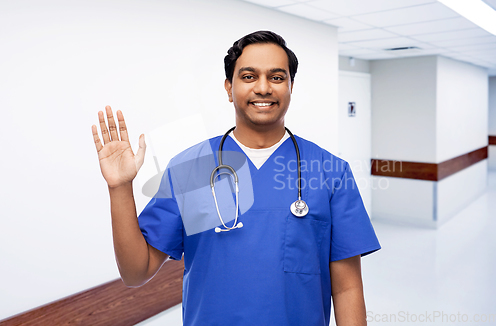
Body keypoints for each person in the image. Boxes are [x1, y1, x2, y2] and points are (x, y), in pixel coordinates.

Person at [92, 30, 380, 326]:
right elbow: (135, 272)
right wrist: (119, 187)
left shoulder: (330, 172)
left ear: (291, 86)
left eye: (277, 77)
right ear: (229, 88)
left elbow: (346, 288)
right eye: (249, 76)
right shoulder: (193, 168)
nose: (264, 88)